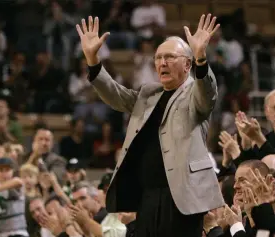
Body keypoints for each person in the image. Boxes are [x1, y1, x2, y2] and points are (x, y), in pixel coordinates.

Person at [75, 14, 224, 237]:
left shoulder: (195, 94)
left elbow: (207, 95)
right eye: (158, 58)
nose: (162, 63)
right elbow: (116, 96)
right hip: (147, 196)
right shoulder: (149, 94)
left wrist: (201, 58)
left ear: (187, 64)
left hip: (181, 198)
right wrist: (93, 61)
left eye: (170, 57)